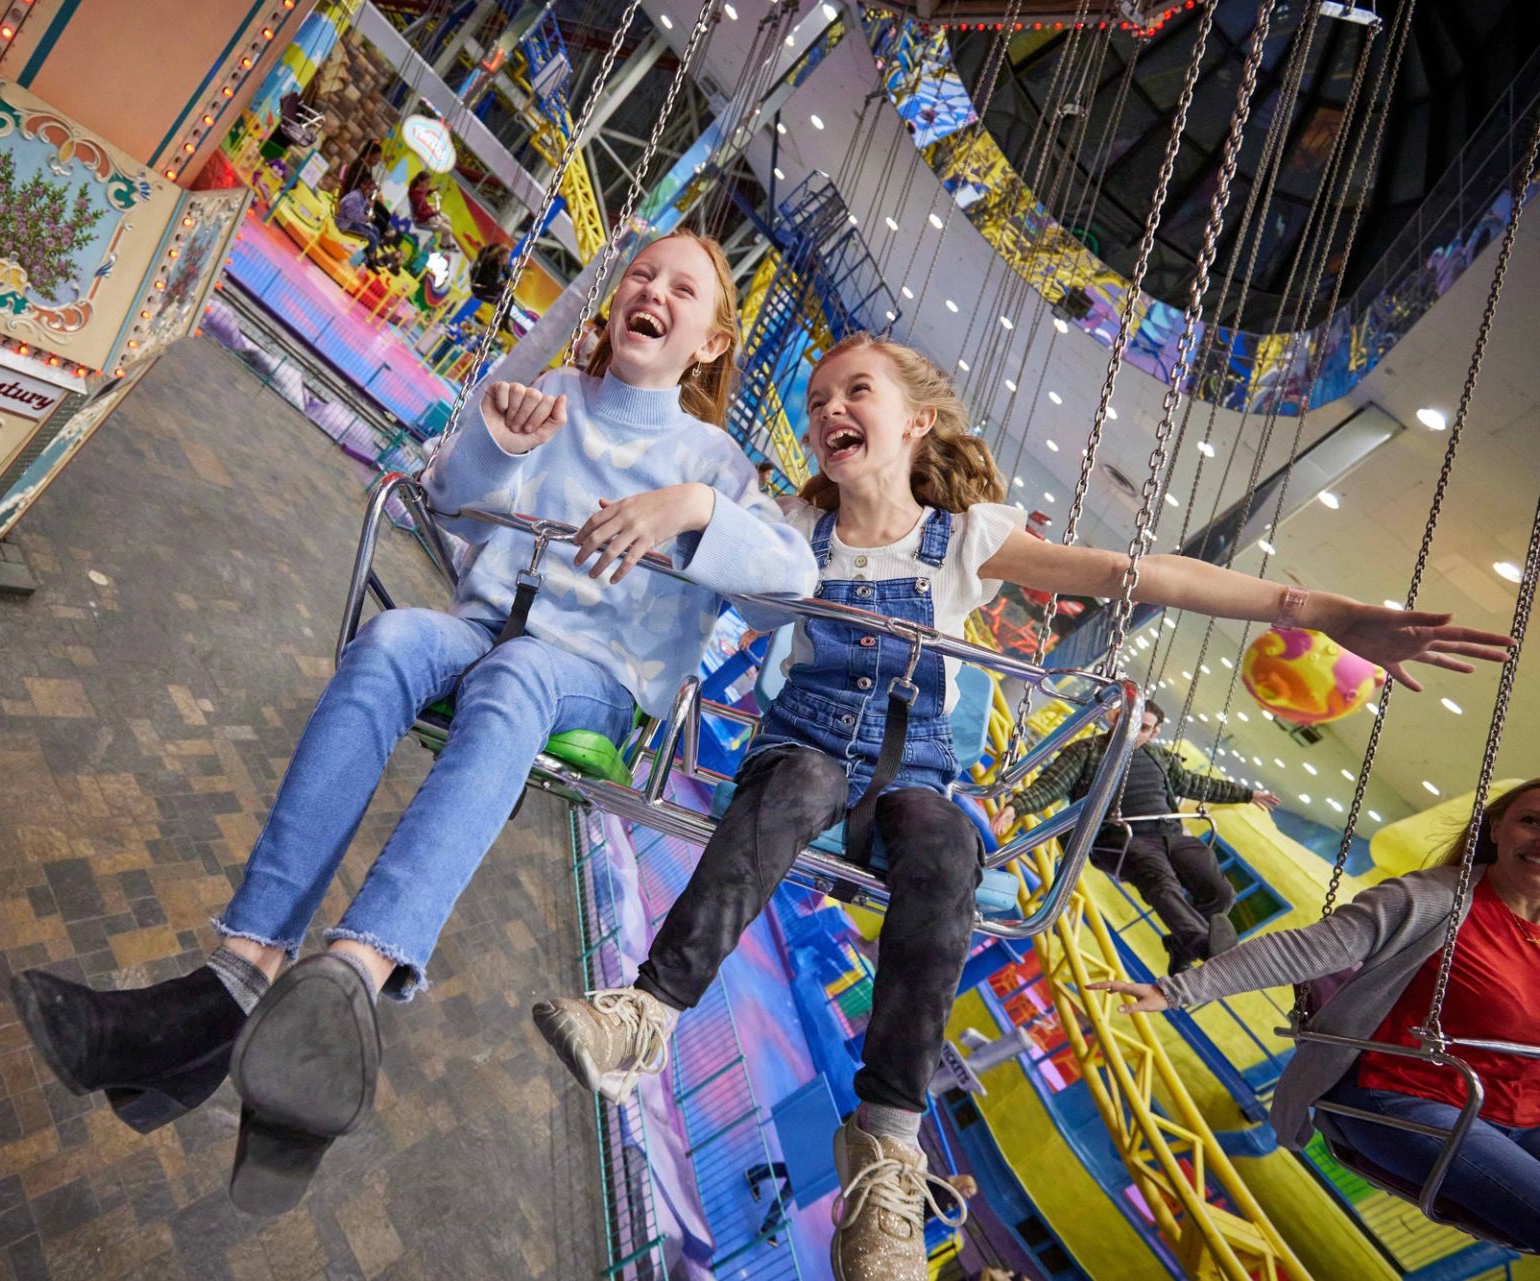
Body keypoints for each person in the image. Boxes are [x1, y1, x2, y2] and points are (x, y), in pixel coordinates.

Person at [531, 331, 1512, 1280]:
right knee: (801, 783)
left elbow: (1146, 577)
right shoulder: (793, 530)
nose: (830, 406)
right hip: (805, 745)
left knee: (946, 842)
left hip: (914, 772)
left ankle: (885, 1148)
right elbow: (693, 546)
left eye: (855, 390)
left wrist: (1324, 613)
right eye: (818, 396)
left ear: (916, 424)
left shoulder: (966, 538)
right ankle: (647, 1011)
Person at [9, 230, 818, 1218]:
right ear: (614, 301)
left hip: (593, 681)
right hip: (484, 633)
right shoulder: (554, 394)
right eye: (643, 274)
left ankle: (352, 975)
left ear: (709, 342)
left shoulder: (717, 463)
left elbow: (792, 588)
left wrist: (690, 510)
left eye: (684, 289)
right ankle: (234, 981)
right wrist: (497, 443)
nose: (654, 290)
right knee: (394, 638)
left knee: (520, 674)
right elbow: (451, 503)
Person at [1093, 778, 1540, 1252]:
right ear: (1496, 828)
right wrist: (1178, 989)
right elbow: (1310, 949)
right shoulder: (1436, 901)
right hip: (1411, 1095)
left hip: (1523, 1110)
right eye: (1530, 821)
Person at [990, 699, 1280, 974]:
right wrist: (1016, 808)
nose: (1132, 730)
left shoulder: (1159, 757)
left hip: (1170, 832)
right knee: (1161, 882)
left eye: (1142, 727)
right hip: (1122, 839)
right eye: (1129, 721)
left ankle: (1181, 947)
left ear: (1154, 733)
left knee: (1220, 892)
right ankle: (1201, 944)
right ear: (1115, 717)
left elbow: (1195, 784)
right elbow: (1052, 785)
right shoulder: (1086, 751)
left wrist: (1247, 794)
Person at [335, 173, 393, 268]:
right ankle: (367, 260)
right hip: (345, 223)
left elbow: (365, 206)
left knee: (376, 230)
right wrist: (365, 218)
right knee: (373, 238)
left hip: (352, 221)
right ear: (362, 185)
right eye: (369, 189)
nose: (369, 192)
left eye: (371, 190)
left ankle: (370, 255)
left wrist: (369, 207)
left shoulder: (361, 195)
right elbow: (351, 216)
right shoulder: (355, 197)